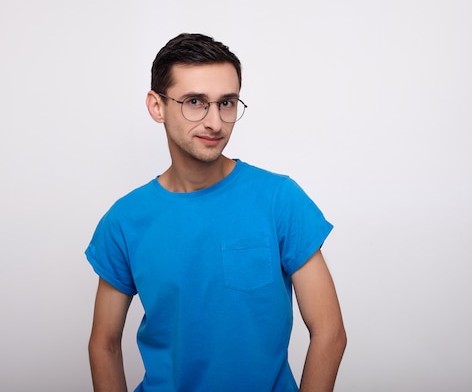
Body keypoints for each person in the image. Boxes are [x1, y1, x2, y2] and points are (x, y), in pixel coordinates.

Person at [86, 33, 346, 391]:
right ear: (156, 106)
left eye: (227, 103)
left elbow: (329, 331)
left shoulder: (278, 199)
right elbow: (104, 343)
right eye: (195, 101)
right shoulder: (125, 220)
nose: (215, 122)